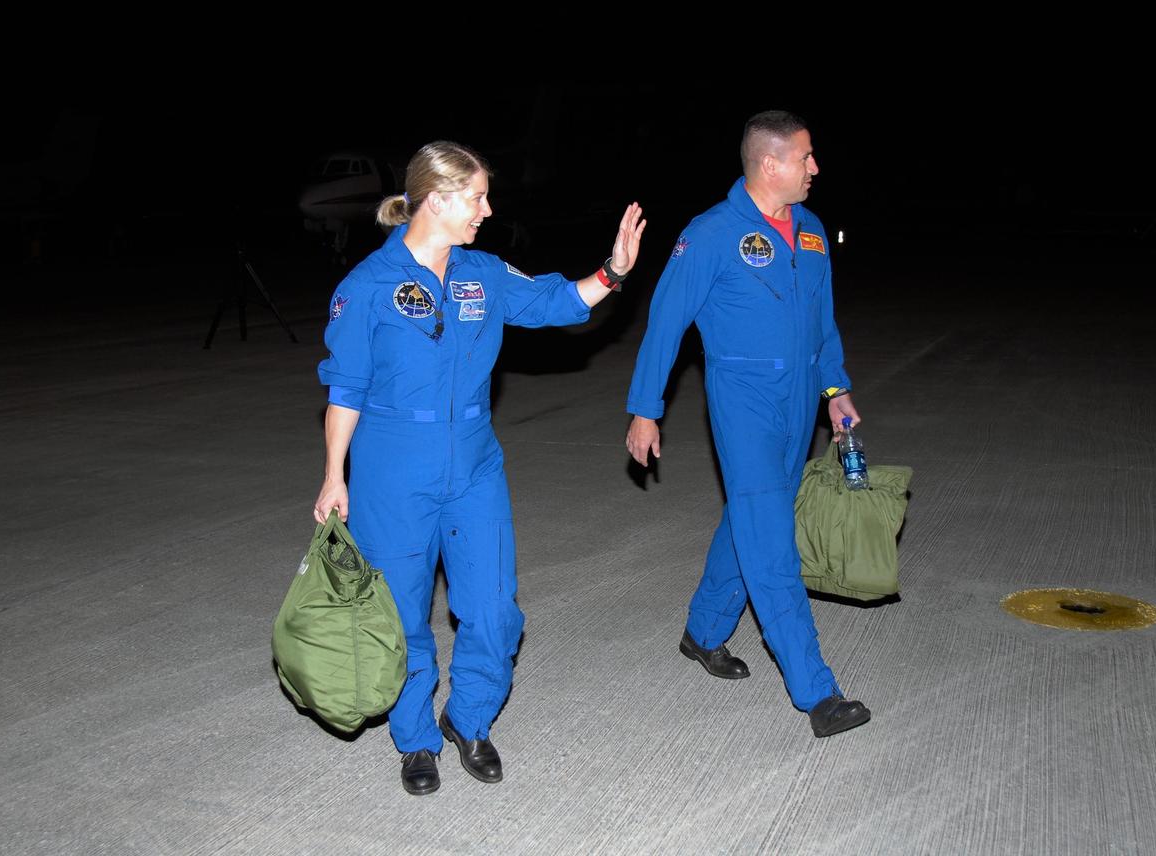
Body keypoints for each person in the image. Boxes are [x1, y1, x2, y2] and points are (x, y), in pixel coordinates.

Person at [314, 141, 645, 795]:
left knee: (493, 611)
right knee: (403, 616)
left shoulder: (482, 274)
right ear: (437, 201)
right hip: (391, 473)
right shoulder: (366, 290)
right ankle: (415, 741)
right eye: (477, 197)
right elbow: (344, 390)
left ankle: (468, 719)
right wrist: (333, 474)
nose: (488, 211)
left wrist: (612, 270)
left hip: (473, 466)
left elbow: (557, 303)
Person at [624, 111, 869, 739]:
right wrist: (646, 408)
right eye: (806, 157)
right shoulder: (710, 234)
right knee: (771, 540)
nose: (815, 168)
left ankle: (703, 633)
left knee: (753, 517)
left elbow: (823, 326)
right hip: (745, 403)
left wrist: (835, 390)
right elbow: (665, 323)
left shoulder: (812, 232)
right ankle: (817, 692)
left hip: (799, 404)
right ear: (771, 164)